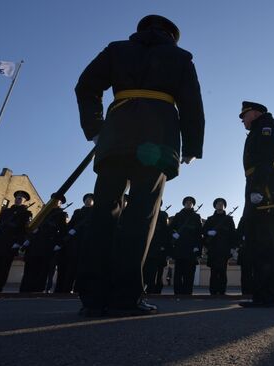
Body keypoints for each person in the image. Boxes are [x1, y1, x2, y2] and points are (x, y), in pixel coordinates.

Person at [75, 14, 204, 316]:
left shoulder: (116, 49)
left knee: (103, 212)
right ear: (172, 36)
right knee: (141, 215)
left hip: (116, 136)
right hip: (158, 140)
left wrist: (94, 127)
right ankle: (126, 297)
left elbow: (86, 86)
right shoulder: (180, 57)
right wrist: (192, 146)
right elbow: (191, 103)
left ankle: (92, 298)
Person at [238, 101, 274, 308]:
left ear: (256, 113)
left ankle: (268, 295)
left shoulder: (267, 127)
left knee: (265, 243)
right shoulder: (259, 128)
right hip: (258, 183)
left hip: (266, 186)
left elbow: (267, 158)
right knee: (257, 243)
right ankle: (260, 294)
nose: (242, 120)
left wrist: (258, 188)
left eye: (245, 115)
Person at [0, 190, 32, 292]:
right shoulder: (6, 211)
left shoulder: (26, 213)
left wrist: (18, 242)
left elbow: (25, 230)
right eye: (17, 197)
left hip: (11, 244)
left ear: (25, 201)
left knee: (3, 268)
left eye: (21, 198)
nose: (18, 199)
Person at [20, 193, 67, 292]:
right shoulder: (43, 212)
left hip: (48, 243)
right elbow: (32, 226)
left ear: (60, 204)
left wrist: (59, 243)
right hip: (35, 242)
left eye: (57, 201)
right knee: (30, 267)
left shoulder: (60, 214)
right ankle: (25, 289)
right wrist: (28, 239)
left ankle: (38, 289)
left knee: (42, 268)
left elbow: (63, 231)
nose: (55, 202)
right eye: (53, 200)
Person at [55, 193, 94, 293]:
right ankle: (66, 289)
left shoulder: (94, 212)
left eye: (90, 199)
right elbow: (71, 223)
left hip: (86, 241)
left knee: (82, 266)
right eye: (87, 199)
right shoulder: (77, 212)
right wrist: (70, 231)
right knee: (71, 266)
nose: (88, 201)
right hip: (74, 241)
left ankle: (78, 290)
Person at [170, 196, 203, 295]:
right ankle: (178, 292)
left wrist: (198, 247)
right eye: (187, 202)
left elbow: (199, 233)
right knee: (178, 272)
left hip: (191, 248)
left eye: (191, 202)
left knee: (190, 272)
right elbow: (170, 228)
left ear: (193, 205)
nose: (189, 204)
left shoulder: (197, 217)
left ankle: (188, 292)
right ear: (184, 204)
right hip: (180, 247)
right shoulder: (178, 215)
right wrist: (173, 234)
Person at [203, 198, 236, 295]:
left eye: (222, 204)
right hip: (213, 249)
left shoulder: (229, 219)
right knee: (213, 271)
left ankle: (222, 291)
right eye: (218, 203)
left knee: (222, 271)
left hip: (224, 249)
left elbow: (233, 234)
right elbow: (203, 231)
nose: (220, 205)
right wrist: (208, 232)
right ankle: (213, 291)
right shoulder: (210, 219)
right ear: (215, 206)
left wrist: (232, 248)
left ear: (224, 206)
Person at [143, 201, 171, 294]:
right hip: (148, 249)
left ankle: (157, 291)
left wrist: (165, 248)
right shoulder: (148, 213)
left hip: (160, 249)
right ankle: (147, 289)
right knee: (147, 271)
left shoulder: (163, 215)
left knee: (159, 272)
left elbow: (166, 232)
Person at [236, 216, 254, 295]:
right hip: (245, 250)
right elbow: (238, 232)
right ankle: (245, 292)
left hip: (257, 249)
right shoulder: (244, 218)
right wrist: (242, 237)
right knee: (245, 273)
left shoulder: (261, 216)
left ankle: (256, 292)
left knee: (257, 273)